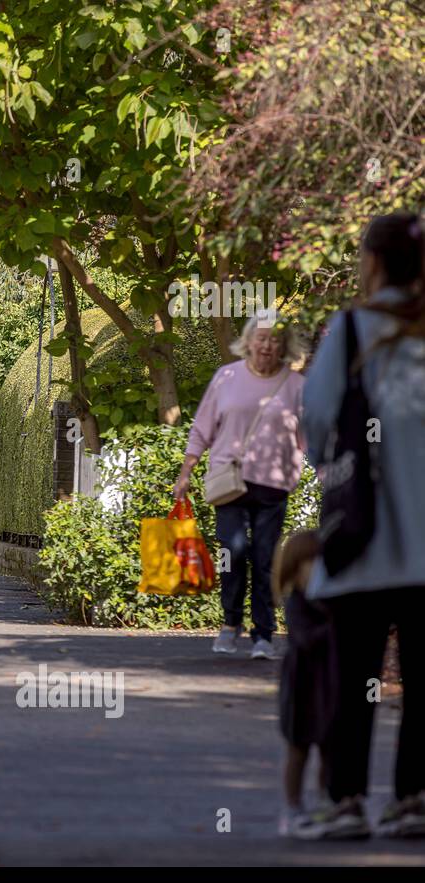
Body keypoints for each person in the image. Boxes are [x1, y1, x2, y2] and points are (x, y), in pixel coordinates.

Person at [299, 211, 425, 839]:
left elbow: (317, 426)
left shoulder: (351, 331)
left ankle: (344, 800)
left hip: (365, 542)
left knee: (352, 678)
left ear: (371, 263)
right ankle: (414, 799)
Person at [173, 313, 308, 660]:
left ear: (284, 346)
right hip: (230, 482)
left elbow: (308, 436)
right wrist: (186, 471)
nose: (267, 345)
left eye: (274, 340)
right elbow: (202, 428)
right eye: (261, 338)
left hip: (274, 484)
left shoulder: (295, 385)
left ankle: (263, 634)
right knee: (232, 551)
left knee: (264, 558)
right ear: (248, 342)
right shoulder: (227, 377)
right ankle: (231, 623)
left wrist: (327, 473)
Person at [273, 530, 338, 838]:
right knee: (298, 748)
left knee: (329, 748)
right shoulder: (298, 603)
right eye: (309, 562)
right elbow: (306, 639)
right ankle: (293, 807)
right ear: (295, 567)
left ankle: (326, 801)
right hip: (301, 685)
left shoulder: (330, 599)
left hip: (328, 683)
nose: (316, 569)